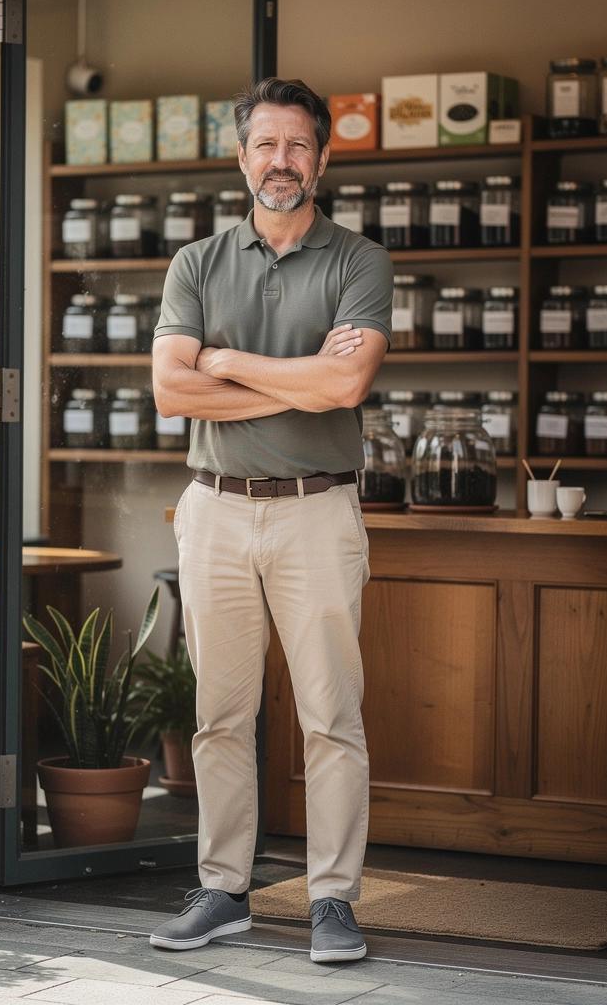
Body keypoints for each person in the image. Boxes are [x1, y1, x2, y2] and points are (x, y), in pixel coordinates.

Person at [148, 77, 392, 964]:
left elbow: (343, 386)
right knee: (220, 715)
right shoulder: (197, 264)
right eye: (265, 145)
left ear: (322, 158)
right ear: (241, 156)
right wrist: (288, 376)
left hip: (316, 512)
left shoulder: (358, 261)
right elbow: (172, 392)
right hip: (214, 512)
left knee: (332, 716)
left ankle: (333, 900)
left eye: (297, 145)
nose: (280, 161)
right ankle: (224, 891)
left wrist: (227, 363)